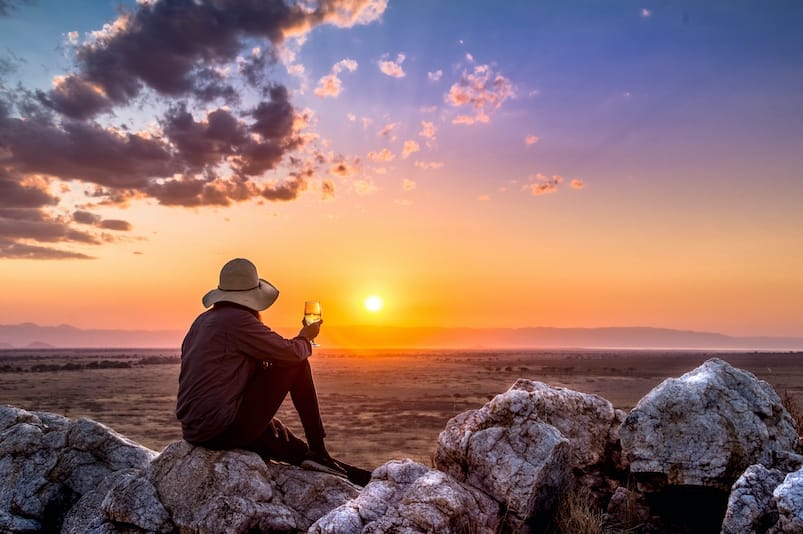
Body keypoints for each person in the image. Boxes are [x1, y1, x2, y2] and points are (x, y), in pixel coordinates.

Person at [176, 257, 371, 486]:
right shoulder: (238, 320)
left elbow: (231, 379)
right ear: (252, 297)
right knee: (296, 364)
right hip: (222, 429)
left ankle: (358, 477)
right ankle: (318, 448)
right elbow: (290, 354)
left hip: (197, 430)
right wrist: (305, 337)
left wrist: (265, 420)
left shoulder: (204, 320)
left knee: (296, 451)